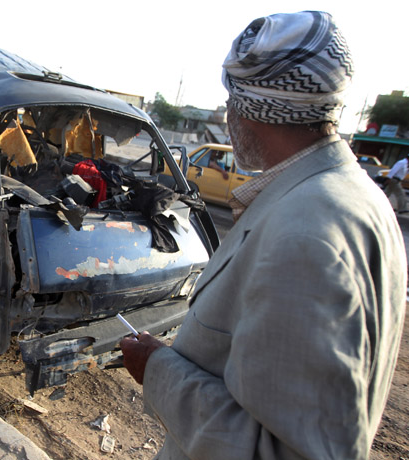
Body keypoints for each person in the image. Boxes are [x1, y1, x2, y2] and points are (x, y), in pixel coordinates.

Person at [120, 11, 406, 460]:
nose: (229, 112)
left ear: (248, 108)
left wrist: (157, 368)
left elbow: (280, 451)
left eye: (232, 98)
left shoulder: (307, 236)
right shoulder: (357, 195)